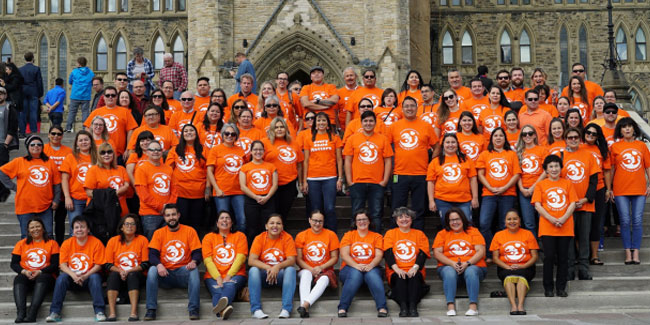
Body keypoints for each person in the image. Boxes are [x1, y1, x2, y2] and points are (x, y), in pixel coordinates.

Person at [387, 96, 439, 230]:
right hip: (399, 173)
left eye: (412, 106)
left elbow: (437, 146)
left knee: (419, 209)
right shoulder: (394, 126)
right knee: (397, 209)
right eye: (406, 106)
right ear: (402, 109)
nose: (409, 108)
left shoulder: (426, 126)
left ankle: (418, 238)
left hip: (421, 173)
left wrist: (431, 163)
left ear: (417, 108)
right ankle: (396, 238)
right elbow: (385, 147)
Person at [145, 204, 203, 321]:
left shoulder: (189, 231)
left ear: (178, 215)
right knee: (152, 270)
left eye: (173, 214)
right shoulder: (159, 233)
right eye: (168, 215)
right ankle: (151, 310)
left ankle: (194, 309)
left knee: (194, 270)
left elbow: (197, 252)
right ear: (164, 218)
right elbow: (152, 254)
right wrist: (159, 265)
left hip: (183, 272)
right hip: (164, 274)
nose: (171, 218)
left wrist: (194, 261)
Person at [532, 155, 578, 297]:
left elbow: (572, 203)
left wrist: (563, 218)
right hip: (547, 227)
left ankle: (561, 288)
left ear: (561, 168)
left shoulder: (567, 183)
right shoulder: (541, 185)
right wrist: (552, 219)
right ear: (546, 170)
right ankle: (548, 287)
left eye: (556, 166)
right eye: (550, 167)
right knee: (549, 257)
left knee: (563, 258)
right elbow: (537, 205)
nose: (554, 169)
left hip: (565, 226)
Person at [46, 216, 106, 322]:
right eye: (76, 227)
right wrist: (74, 275)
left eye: (82, 227)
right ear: (73, 230)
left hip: (89, 278)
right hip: (72, 278)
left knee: (95, 277)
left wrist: (84, 276)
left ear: (88, 229)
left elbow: (99, 265)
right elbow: (63, 265)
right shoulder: (67, 243)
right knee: (61, 278)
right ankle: (54, 312)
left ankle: (99, 311)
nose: (79, 230)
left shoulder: (96, 243)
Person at [0, 135, 60, 238]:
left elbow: (57, 184)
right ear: (28, 146)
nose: (36, 146)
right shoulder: (19, 161)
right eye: (32, 144)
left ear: (42, 147)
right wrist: (14, 187)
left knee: (48, 235)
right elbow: (2, 173)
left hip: (45, 206)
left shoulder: (50, 162)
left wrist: (56, 200)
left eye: (39, 144)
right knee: (27, 236)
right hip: (25, 207)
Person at [344, 110, 393, 232]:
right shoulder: (352, 139)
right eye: (365, 121)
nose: (368, 123)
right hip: (357, 182)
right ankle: (355, 239)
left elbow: (388, 161)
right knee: (356, 213)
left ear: (375, 123)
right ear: (361, 123)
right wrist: (349, 181)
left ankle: (375, 238)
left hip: (377, 183)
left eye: (371, 121)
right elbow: (348, 161)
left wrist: (385, 180)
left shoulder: (383, 139)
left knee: (376, 213)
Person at [476, 127, 521, 259]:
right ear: (491, 138)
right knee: (484, 223)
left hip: (508, 194)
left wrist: (504, 187)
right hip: (488, 194)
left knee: (504, 224)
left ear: (505, 138)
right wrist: (490, 187)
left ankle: (503, 253)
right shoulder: (485, 154)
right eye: (495, 135)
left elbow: (516, 174)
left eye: (501, 135)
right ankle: (490, 252)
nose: (498, 138)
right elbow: (480, 174)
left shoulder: (511, 154)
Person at [610, 117, 650, 265]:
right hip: (621, 189)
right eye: (624, 127)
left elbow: (648, 167)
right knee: (625, 221)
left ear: (634, 129)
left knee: (638, 221)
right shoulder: (614, 147)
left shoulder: (641, 146)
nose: (627, 129)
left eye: (629, 126)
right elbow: (612, 169)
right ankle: (628, 252)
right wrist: (610, 188)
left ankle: (636, 252)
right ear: (620, 130)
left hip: (639, 189)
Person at [433, 208, 487, 316]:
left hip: (474, 266)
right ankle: (450, 306)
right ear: (448, 222)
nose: (455, 222)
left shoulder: (473, 231)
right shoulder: (442, 234)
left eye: (457, 219)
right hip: (449, 267)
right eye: (451, 220)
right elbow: (437, 253)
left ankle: (473, 306)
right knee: (449, 271)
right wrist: (452, 263)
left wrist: (467, 263)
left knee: (471, 271)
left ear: (463, 219)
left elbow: (481, 251)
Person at [562, 127, 599, 280]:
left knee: (584, 238)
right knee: (569, 238)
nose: (573, 140)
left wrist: (585, 199)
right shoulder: (560, 156)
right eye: (570, 137)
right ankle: (570, 269)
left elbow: (594, 181)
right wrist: (570, 201)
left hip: (585, 205)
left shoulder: (589, 155)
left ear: (580, 138)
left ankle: (584, 269)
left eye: (576, 137)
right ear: (566, 139)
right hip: (567, 207)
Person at [337, 210, 387, 317]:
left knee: (373, 275)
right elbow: (344, 255)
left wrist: (371, 265)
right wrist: (356, 266)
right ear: (355, 222)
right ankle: (343, 307)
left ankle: (382, 307)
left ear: (369, 221)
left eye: (364, 219)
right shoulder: (349, 235)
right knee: (355, 274)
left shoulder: (377, 236)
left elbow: (379, 255)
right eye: (359, 220)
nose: (362, 222)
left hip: (372, 267)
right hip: (350, 268)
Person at [489, 210, 539, 315]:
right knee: (508, 277)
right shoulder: (498, 235)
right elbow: (495, 258)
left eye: (515, 219)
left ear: (520, 221)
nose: (512, 221)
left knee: (521, 278)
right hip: (505, 267)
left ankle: (520, 305)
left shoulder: (528, 234)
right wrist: (506, 266)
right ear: (505, 222)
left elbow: (535, 256)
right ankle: (513, 306)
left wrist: (523, 266)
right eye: (509, 219)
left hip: (526, 267)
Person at [248, 214, 297, 319]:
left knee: (291, 270)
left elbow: (292, 260)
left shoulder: (287, 238)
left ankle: (286, 309)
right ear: (266, 226)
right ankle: (256, 309)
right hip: (264, 275)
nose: (275, 226)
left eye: (278, 223)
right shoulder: (259, 238)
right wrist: (268, 268)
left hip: (280, 276)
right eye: (272, 223)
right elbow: (251, 260)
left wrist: (277, 267)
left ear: (282, 226)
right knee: (253, 270)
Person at [384, 207, 430, 317]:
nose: (404, 219)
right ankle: (403, 307)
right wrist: (397, 269)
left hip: (415, 268)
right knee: (400, 277)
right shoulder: (390, 233)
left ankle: (413, 306)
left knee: (413, 277)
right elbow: (388, 252)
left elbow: (422, 253)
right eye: (400, 217)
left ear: (412, 219)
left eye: (407, 217)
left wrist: (415, 268)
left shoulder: (419, 234)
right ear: (396, 220)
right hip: (395, 269)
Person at [201, 210, 248, 320]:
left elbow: (240, 258)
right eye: (222, 218)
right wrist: (217, 277)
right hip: (212, 276)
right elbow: (208, 261)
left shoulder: (240, 236)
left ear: (232, 223)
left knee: (229, 285)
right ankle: (223, 311)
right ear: (217, 223)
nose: (225, 220)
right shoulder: (208, 238)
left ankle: (221, 309)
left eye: (227, 218)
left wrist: (229, 275)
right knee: (218, 291)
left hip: (236, 275)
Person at [11, 217, 60, 323]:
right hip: (27, 274)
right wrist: (24, 271)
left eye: (38, 226)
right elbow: (14, 264)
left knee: (42, 277)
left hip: (46, 276)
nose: (35, 229)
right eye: (32, 227)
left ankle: (32, 314)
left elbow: (55, 264)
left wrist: (40, 271)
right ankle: (21, 313)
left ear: (43, 228)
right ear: (28, 231)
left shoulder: (52, 243)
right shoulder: (21, 244)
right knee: (19, 278)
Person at [104, 214, 149, 322]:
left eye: (133, 224)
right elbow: (107, 264)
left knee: (132, 276)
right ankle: (112, 312)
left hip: (137, 274)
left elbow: (145, 263)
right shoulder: (113, 241)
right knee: (113, 275)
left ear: (136, 227)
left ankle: (134, 312)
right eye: (127, 224)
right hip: (118, 274)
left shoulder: (142, 240)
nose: (130, 226)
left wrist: (128, 271)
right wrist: (120, 271)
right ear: (121, 227)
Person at [295, 211, 340, 318]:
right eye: (315, 220)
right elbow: (298, 259)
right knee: (306, 274)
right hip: (306, 269)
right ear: (309, 220)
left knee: (324, 279)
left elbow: (335, 258)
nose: (317, 223)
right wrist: (311, 269)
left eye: (320, 221)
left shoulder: (331, 235)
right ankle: (304, 306)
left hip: (325, 270)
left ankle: (304, 305)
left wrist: (321, 267)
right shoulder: (301, 235)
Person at [303, 112, 343, 231]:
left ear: (328, 124)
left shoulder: (335, 138)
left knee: (329, 208)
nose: (321, 123)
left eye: (324, 121)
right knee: (316, 209)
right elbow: (305, 161)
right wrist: (304, 181)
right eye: (319, 121)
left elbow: (339, 160)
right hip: (313, 178)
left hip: (330, 178)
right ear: (315, 124)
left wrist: (340, 178)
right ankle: (318, 233)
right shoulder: (308, 138)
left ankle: (332, 234)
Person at [166, 124, 208, 234]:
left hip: (198, 192)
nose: (188, 133)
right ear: (182, 135)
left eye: (191, 130)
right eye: (186, 131)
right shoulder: (175, 149)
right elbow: (168, 169)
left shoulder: (204, 149)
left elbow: (209, 171)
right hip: (180, 192)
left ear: (196, 134)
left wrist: (208, 190)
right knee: (183, 222)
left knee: (196, 224)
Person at [427, 132, 479, 222]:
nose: (450, 145)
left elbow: (473, 179)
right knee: (446, 226)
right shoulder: (435, 162)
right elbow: (431, 182)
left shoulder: (466, 159)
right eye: (447, 142)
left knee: (466, 225)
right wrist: (431, 200)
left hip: (464, 200)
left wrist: (475, 197)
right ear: (443, 145)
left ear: (457, 144)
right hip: (443, 200)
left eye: (453, 142)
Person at [207, 123, 248, 232]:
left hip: (239, 191)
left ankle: (240, 243)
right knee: (223, 221)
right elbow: (210, 171)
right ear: (222, 134)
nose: (230, 136)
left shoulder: (240, 150)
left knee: (242, 219)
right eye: (227, 133)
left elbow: (245, 170)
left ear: (236, 136)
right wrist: (216, 188)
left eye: (233, 134)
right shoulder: (215, 150)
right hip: (221, 191)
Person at [262, 117, 303, 222]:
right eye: (276, 127)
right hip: (271, 184)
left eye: (281, 127)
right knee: (272, 213)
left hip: (289, 183)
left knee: (284, 212)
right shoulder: (265, 143)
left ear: (286, 129)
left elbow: (299, 164)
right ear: (272, 130)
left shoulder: (293, 143)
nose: (279, 129)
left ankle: (282, 235)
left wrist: (301, 182)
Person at [135, 141, 177, 239]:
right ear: (147, 152)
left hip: (168, 214)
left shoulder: (168, 169)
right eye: (152, 150)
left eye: (158, 150)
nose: (155, 152)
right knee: (152, 243)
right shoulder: (141, 169)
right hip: (150, 214)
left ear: (162, 152)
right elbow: (143, 194)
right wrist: (160, 207)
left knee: (167, 242)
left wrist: (169, 207)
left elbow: (174, 190)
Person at [84, 86, 138, 162]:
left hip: (119, 155)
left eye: (113, 95)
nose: (110, 97)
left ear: (116, 97)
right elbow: (87, 129)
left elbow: (131, 130)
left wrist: (128, 149)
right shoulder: (96, 112)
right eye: (107, 95)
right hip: (98, 154)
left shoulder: (125, 112)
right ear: (103, 97)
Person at [582, 123, 610, 265]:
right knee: (581, 224)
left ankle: (594, 255)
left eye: (594, 134)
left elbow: (606, 171)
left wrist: (608, 189)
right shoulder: (579, 147)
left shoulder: (601, 149)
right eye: (588, 133)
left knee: (597, 222)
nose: (590, 136)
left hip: (599, 188)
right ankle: (582, 255)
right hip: (582, 189)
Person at [239, 140, 278, 241]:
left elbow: (275, 185)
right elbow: (243, 186)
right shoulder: (245, 167)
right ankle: (252, 251)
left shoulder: (271, 166)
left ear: (264, 151)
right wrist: (256, 197)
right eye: (255, 149)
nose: (258, 152)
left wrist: (267, 197)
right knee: (252, 228)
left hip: (268, 200)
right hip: (251, 200)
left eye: (260, 149)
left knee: (267, 227)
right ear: (251, 151)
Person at [60, 130, 96, 231]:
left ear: (91, 141)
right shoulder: (70, 157)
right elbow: (64, 178)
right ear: (76, 143)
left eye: (86, 140)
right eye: (80, 140)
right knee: (76, 230)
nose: (83, 142)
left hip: (94, 198)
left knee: (93, 229)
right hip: (76, 198)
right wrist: (67, 197)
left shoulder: (97, 157)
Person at [516, 125, 547, 237]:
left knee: (542, 219)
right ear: (522, 137)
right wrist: (521, 189)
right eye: (525, 134)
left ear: (534, 135)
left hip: (540, 189)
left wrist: (533, 187)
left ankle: (544, 246)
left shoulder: (542, 150)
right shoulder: (519, 152)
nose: (527, 136)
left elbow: (545, 171)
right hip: (524, 191)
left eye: (530, 133)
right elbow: (517, 173)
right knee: (529, 222)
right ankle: (533, 248)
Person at [85, 142, 130, 218]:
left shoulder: (121, 169)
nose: (106, 155)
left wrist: (115, 193)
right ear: (99, 155)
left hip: (120, 210)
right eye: (103, 152)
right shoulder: (93, 170)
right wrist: (109, 196)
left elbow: (126, 186)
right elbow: (88, 192)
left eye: (109, 152)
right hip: (101, 212)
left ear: (113, 154)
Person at [42, 126, 72, 243]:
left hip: (63, 191)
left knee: (60, 221)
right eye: (53, 133)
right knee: (45, 222)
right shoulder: (43, 149)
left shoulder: (68, 151)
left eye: (59, 134)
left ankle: (59, 245)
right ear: (48, 135)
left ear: (62, 136)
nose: (56, 136)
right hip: (47, 190)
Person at [66, 57, 94, 133]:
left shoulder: (74, 72)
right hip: (86, 96)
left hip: (75, 95)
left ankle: (68, 128)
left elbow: (70, 81)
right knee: (85, 112)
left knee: (72, 112)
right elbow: (92, 82)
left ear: (78, 63)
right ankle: (85, 128)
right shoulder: (91, 73)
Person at [0, 86, 19, 203]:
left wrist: (6, 144)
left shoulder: (8, 108)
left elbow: (13, 126)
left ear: (5, 95)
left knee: (2, 169)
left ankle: (3, 192)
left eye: (1, 93)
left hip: (2, 143)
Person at [19, 52, 43, 136]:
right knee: (33, 111)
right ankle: (33, 130)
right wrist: (40, 94)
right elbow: (39, 82)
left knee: (23, 112)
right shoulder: (36, 69)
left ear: (25, 59)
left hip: (23, 91)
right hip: (33, 91)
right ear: (32, 58)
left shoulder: (20, 69)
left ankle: (22, 131)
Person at [337, 67, 358, 131]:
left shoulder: (362, 91)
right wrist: (339, 128)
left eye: (351, 75)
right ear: (344, 78)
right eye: (347, 76)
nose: (349, 78)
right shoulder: (338, 92)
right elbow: (335, 112)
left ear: (356, 76)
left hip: (359, 126)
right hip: (343, 128)